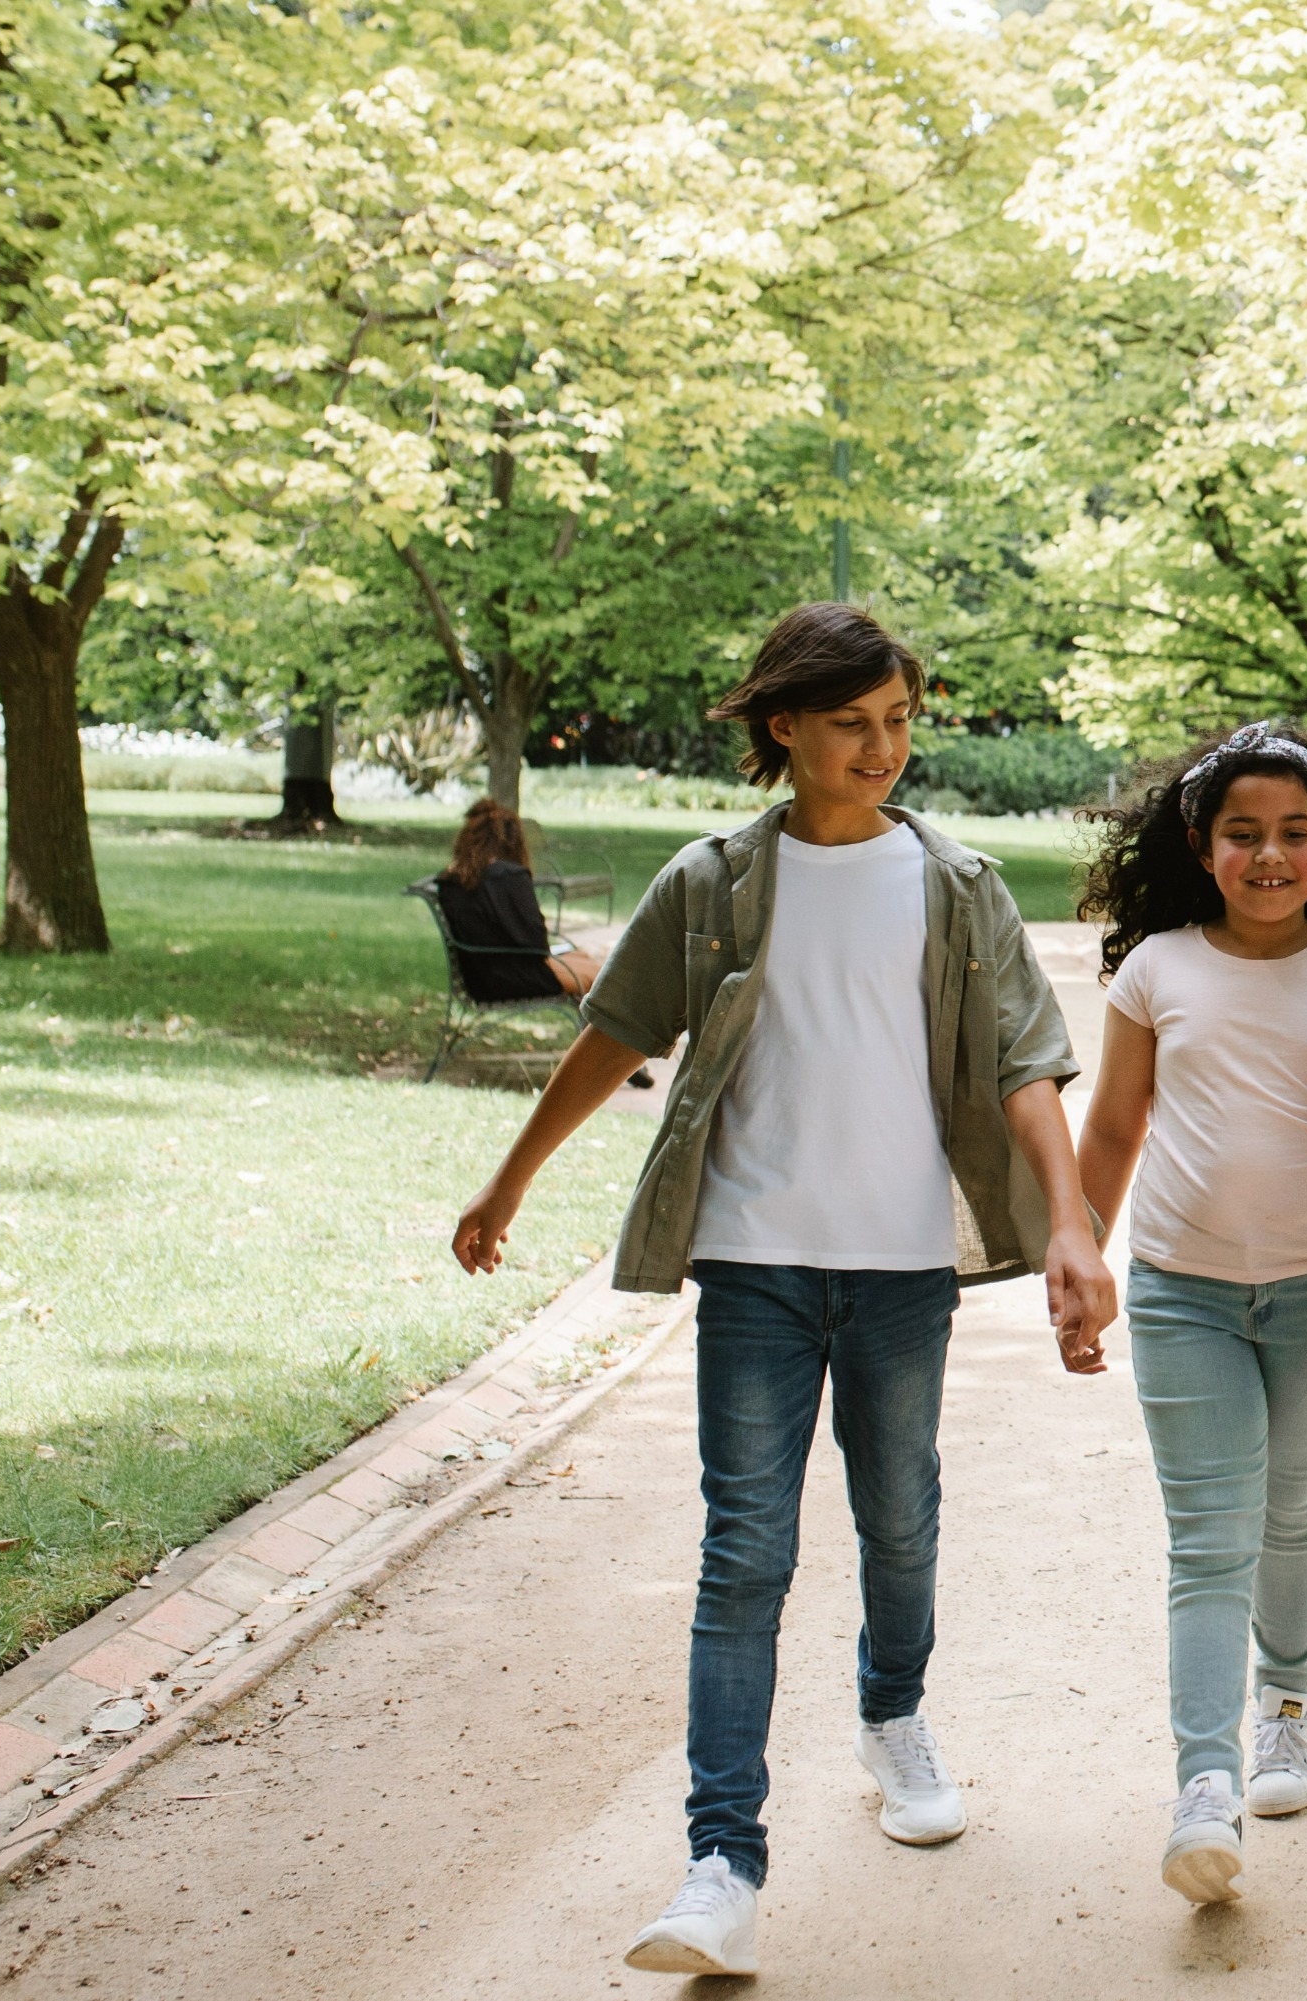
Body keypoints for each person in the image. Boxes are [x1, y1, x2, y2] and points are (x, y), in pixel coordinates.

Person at [446, 602, 1118, 1980]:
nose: (885, 748)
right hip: (752, 1259)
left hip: (900, 1268)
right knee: (744, 1547)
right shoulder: (711, 883)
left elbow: (1024, 1067)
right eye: (855, 724)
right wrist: (510, 1181)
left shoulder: (957, 884)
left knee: (900, 1515)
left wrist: (1071, 1223)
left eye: (900, 722)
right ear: (785, 729)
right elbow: (613, 1034)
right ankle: (720, 1861)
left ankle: (892, 1711)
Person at [1072, 721, 1307, 1906]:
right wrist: (1078, 1248)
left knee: (1292, 1508)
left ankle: (1286, 1705)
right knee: (1209, 1535)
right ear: (1201, 843)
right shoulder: (1158, 969)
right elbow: (1117, 1126)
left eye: (1292, 833)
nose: (1269, 856)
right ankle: (1204, 1783)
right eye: (1244, 835)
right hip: (1184, 1295)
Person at [433, 797, 601, 998]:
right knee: (605, 979)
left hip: (482, 976)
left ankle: (590, 1027)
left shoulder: (452, 879)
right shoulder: (509, 876)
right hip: (511, 977)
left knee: (583, 958)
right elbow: (538, 944)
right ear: (513, 841)